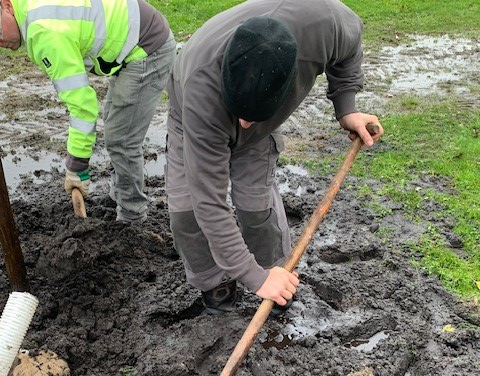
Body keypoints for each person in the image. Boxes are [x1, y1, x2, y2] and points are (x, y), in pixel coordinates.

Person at [165, 0, 383, 316]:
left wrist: (345, 108)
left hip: (259, 122)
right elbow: (208, 201)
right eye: (238, 112)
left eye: (253, 116)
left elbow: (350, 48)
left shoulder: (323, 24)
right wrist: (250, 276)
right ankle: (216, 285)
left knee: (255, 204)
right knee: (186, 209)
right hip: (192, 108)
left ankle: (278, 280)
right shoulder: (203, 92)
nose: (242, 126)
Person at [0, 0, 176, 223]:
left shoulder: (43, 32)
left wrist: (77, 166)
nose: (0, 40)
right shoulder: (31, 9)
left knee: (122, 138)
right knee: (115, 123)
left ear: (6, 5)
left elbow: (82, 107)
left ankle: (132, 215)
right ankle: (119, 194)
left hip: (148, 48)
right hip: (136, 34)